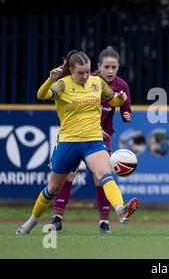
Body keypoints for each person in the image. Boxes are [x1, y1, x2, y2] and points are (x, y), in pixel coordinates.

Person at [16, 50, 139, 235]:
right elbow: (41, 95)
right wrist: (51, 79)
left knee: (104, 174)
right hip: (68, 143)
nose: (85, 76)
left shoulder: (97, 83)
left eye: (88, 71)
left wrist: (119, 100)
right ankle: (31, 221)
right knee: (53, 188)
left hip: (93, 141)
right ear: (71, 70)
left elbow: (111, 100)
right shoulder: (62, 85)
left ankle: (120, 209)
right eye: (81, 72)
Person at [50, 46, 132, 235]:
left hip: (102, 139)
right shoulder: (88, 80)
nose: (110, 71)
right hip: (77, 135)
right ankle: (57, 218)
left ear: (118, 67)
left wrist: (126, 114)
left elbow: (125, 107)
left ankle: (104, 222)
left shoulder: (121, 86)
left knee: (100, 179)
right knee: (67, 177)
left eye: (114, 67)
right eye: (107, 67)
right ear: (99, 67)